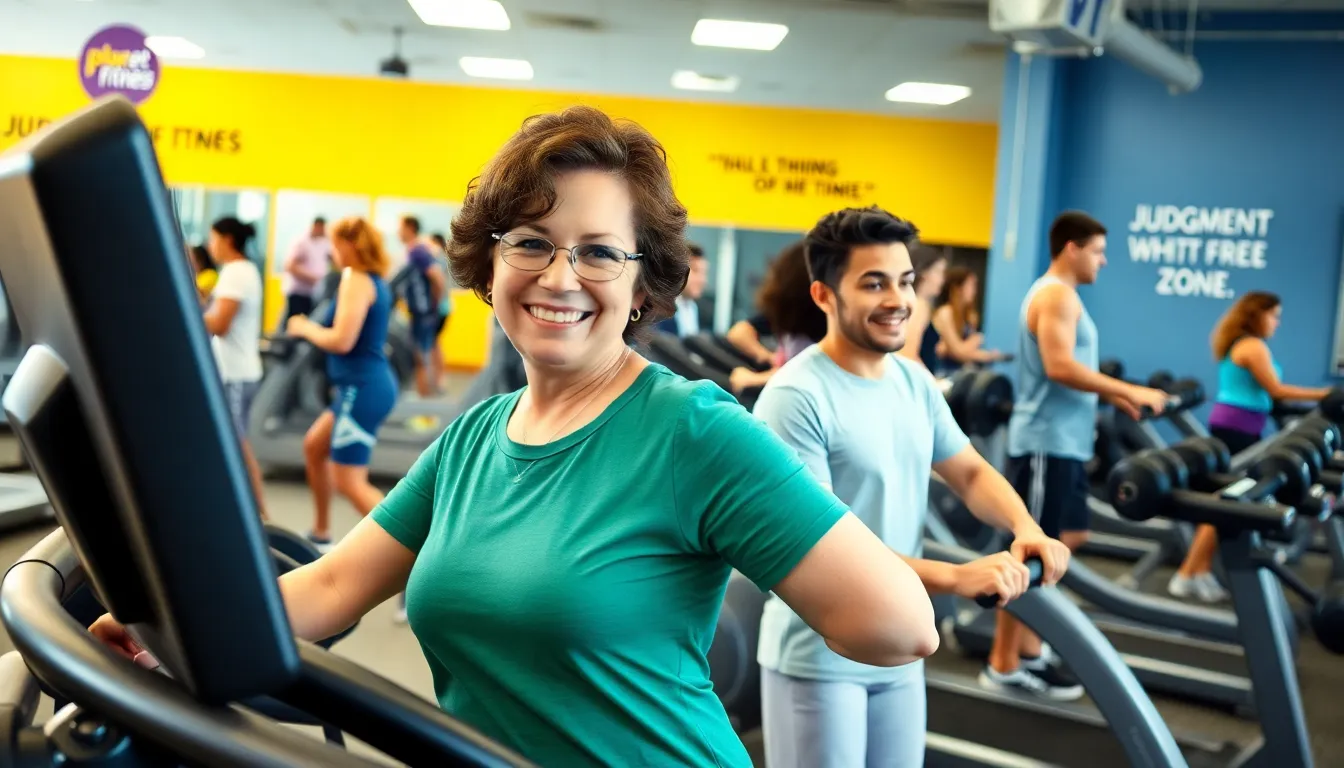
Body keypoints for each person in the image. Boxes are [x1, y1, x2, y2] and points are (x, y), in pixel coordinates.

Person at [92, 106, 941, 767]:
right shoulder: (473, 438)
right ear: (490, 265)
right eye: (532, 242)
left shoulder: (693, 430)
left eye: (600, 253)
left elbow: (900, 625)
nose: (560, 276)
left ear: (642, 285)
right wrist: (166, 635)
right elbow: (330, 588)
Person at [753, 206, 1071, 767]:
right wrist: (956, 576)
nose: (898, 299)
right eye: (873, 283)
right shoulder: (794, 397)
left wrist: (1026, 527)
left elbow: (969, 471)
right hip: (819, 655)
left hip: (900, 642)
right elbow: (826, 552)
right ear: (824, 296)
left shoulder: (912, 381)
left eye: (904, 282)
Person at [983, 211, 1170, 699]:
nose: (1104, 261)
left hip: (1062, 442)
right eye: (1098, 251)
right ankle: (1005, 662)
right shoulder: (1055, 296)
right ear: (1072, 247)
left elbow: (1071, 367)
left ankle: (1028, 648)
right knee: (1029, 553)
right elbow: (1060, 365)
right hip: (1044, 443)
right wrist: (1127, 388)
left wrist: (1117, 396)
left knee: (1071, 537)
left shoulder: (1062, 297)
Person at [1169, 291, 1332, 602]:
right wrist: (1324, 394)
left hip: (1239, 426)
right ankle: (1187, 573)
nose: (1277, 323)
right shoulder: (1252, 346)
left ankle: (1197, 571)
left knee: (1228, 502)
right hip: (1237, 430)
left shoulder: (1243, 344)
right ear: (1256, 315)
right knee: (1225, 502)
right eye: (1273, 315)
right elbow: (1277, 390)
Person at [284, 216, 398, 551]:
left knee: (349, 481)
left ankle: (414, 559)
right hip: (360, 386)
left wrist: (304, 328)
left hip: (362, 388)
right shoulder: (371, 279)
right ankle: (321, 534)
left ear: (351, 244)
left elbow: (342, 340)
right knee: (314, 447)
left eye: (337, 244)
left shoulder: (357, 279)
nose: (333, 252)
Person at [200, 217, 269, 521]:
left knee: (236, 444)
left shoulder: (236, 272)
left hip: (237, 374)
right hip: (233, 372)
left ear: (227, 240)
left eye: (213, 238)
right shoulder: (239, 271)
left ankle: (260, 517)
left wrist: (180, 311)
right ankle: (248, 514)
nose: (210, 245)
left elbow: (219, 324)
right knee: (229, 442)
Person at [725, 240, 829, 394]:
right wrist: (766, 356)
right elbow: (737, 333)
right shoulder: (790, 315)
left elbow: (806, 373)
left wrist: (753, 379)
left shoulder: (827, 328)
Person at [399, 215, 449, 398]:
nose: (398, 232)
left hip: (423, 311)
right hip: (419, 311)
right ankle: (424, 394)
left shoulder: (418, 251)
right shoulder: (414, 250)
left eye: (400, 227)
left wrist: (433, 304)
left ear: (410, 228)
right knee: (422, 352)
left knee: (421, 354)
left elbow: (437, 277)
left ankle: (425, 399)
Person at [931, 266, 1005, 370]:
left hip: (962, 369)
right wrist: (977, 340)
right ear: (957, 289)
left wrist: (988, 355)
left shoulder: (970, 315)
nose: (974, 291)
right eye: (971, 286)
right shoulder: (945, 313)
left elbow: (965, 352)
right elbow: (958, 352)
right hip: (944, 370)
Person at [898, 246, 948, 371]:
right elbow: (908, 355)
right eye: (939, 272)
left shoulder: (915, 303)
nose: (942, 280)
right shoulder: (919, 306)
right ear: (925, 273)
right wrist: (932, 384)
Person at [281, 217, 331, 327]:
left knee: (308, 323)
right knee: (294, 324)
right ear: (316, 226)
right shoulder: (301, 242)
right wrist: (314, 278)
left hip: (313, 292)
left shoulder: (324, 243)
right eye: (322, 229)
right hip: (298, 292)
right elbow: (290, 266)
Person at [654, 242, 709, 337]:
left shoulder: (698, 309)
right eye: (696, 271)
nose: (702, 280)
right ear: (677, 270)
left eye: (704, 273)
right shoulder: (658, 311)